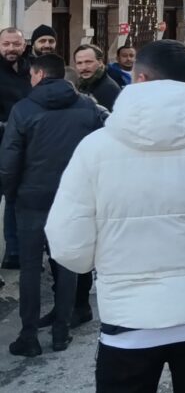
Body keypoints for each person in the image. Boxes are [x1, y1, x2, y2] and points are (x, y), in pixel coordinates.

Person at [45, 40, 185, 392]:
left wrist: (103, 262)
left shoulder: (94, 149)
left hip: (128, 319)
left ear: (138, 78)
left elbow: (66, 243)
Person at [1, 54, 104, 357]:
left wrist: (12, 193)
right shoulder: (87, 107)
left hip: (32, 198)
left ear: (38, 74)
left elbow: (8, 161)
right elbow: (100, 150)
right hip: (73, 197)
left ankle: (28, 336)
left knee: (31, 268)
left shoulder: (24, 109)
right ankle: (61, 331)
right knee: (66, 262)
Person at [0, 27, 31, 271]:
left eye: (16, 44)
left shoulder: (30, 69)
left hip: (23, 147)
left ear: (24, 45)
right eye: (6, 44)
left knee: (14, 199)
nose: (11, 48)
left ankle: (13, 251)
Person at [73, 44, 121, 112]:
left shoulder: (109, 88)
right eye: (79, 63)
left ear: (100, 62)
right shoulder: (82, 84)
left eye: (88, 62)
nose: (84, 67)